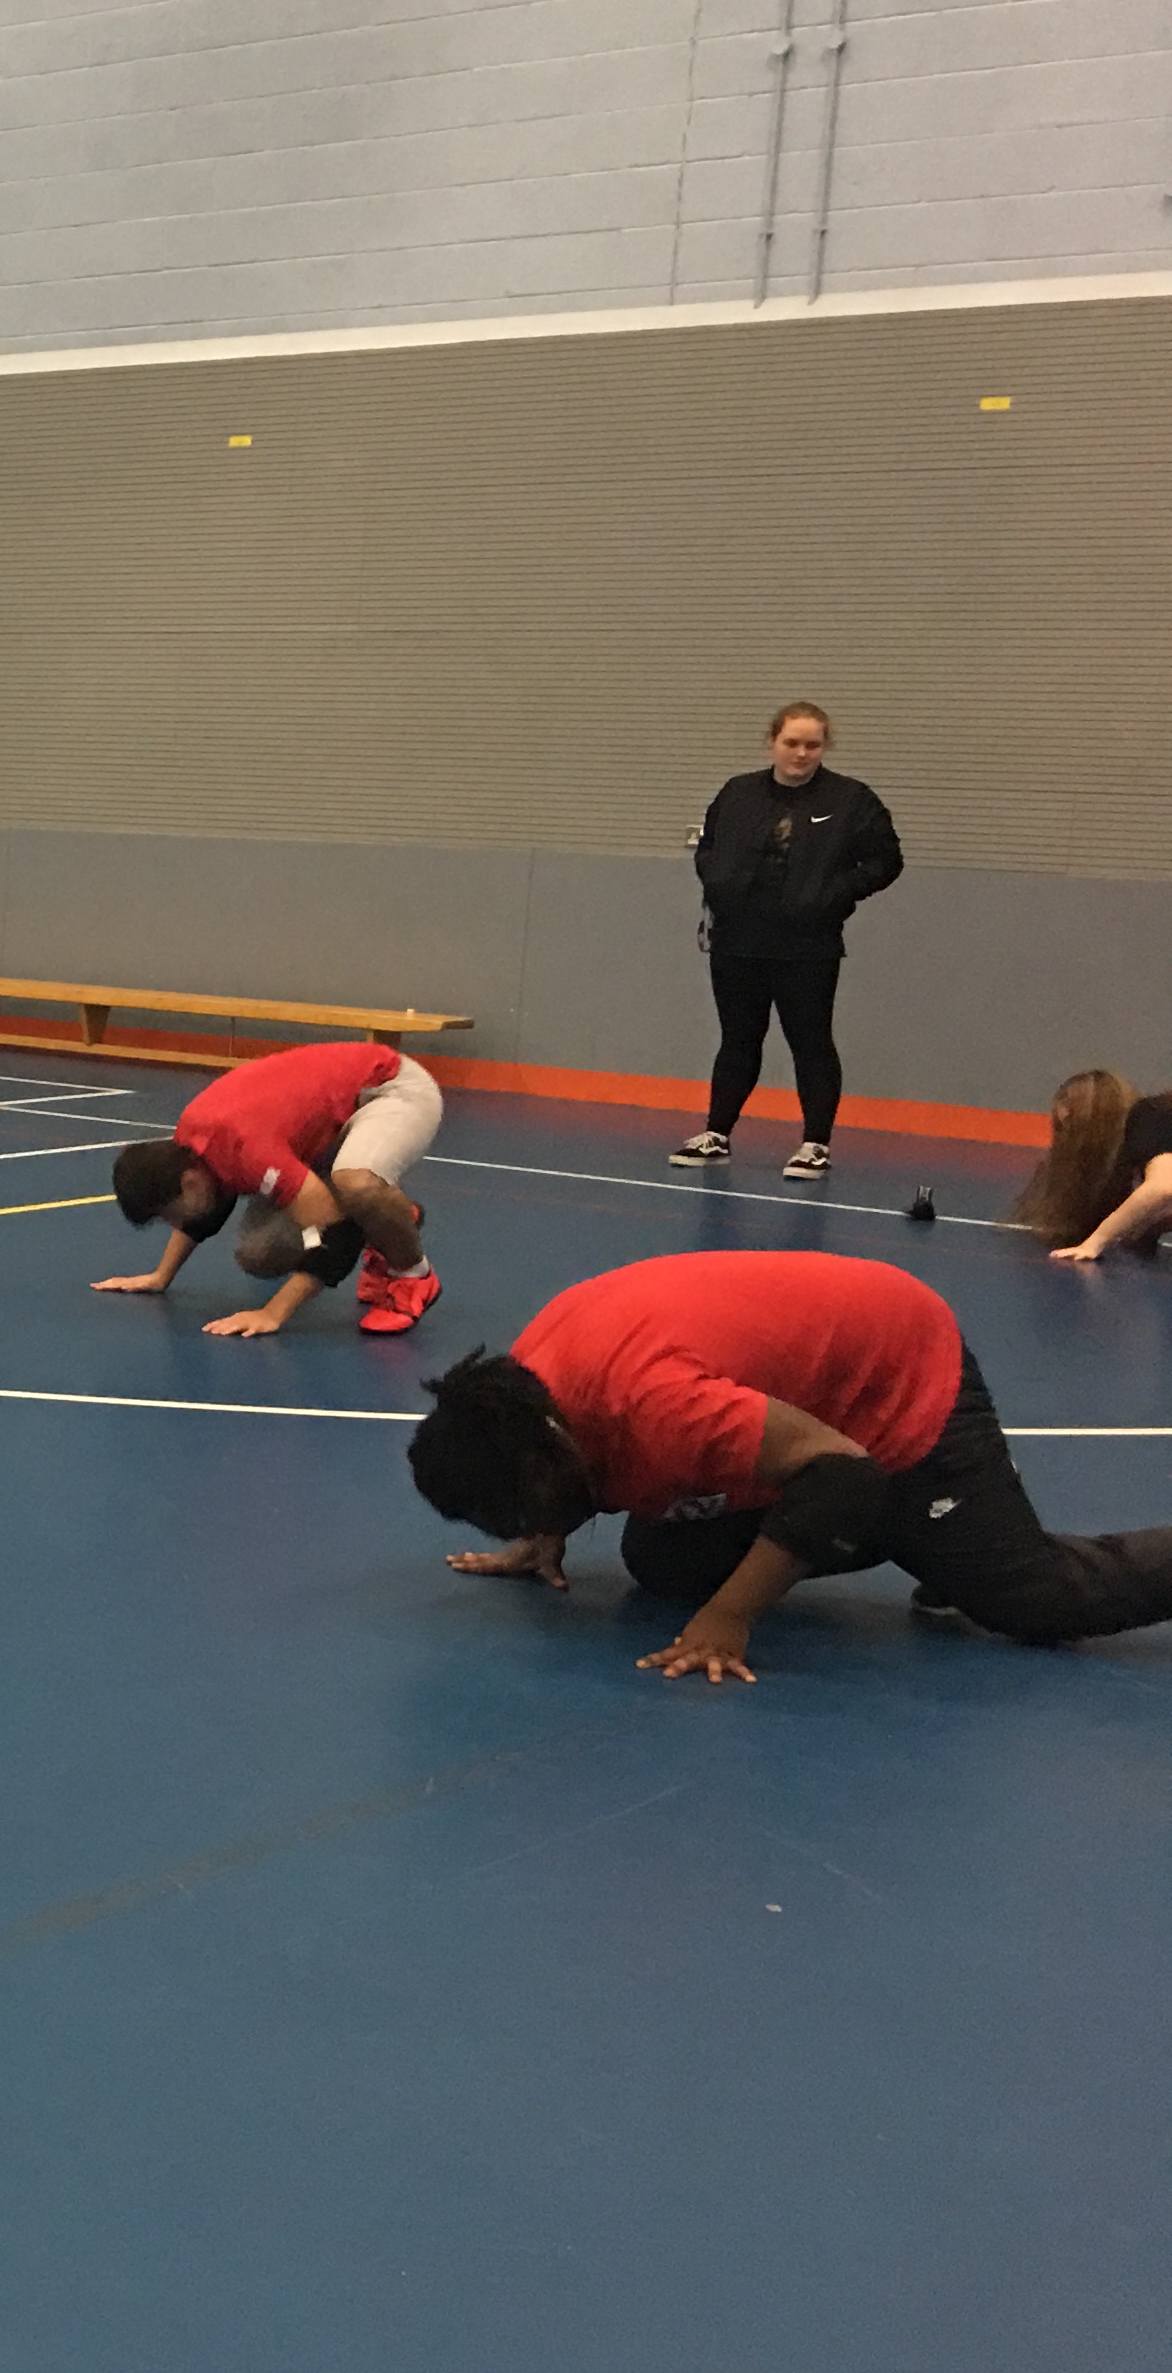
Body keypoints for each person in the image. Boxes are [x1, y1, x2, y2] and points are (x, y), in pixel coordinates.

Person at [408, 1249, 1172, 1677]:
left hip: (895, 1379)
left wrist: (729, 1618)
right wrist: (545, 1525)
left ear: (548, 1445)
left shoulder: (658, 1407)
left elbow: (844, 1472)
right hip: (809, 1388)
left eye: (535, 1506)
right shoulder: (519, 1399)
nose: (539, 1520)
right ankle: (921, 1536)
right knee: (663, 1557)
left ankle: (934, 1527)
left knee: (1035, 1603)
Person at [671, 702, 900, 1182]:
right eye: (791, 743)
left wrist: (835, 896)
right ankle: (716, 1132)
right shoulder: (737, 793)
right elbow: (709, 846)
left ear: (824, 747)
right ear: (772, 742)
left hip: (808, 947)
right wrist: (716, 882)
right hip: (737, 942)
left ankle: (815, 1143)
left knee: (810, 1042)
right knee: (737, 1040)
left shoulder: (852, 800)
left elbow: (885, 861)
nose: (801, 753)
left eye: (812, 744)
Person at [94, 1039, 445, 1337]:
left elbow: (332, 1239)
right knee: (261, 1253)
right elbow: (206, 1207)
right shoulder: (191, 1150)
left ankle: (413, 1274)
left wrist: (273, 1312)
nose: (173, 1224)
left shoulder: (246, 1149)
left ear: (188, 1182)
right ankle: (390, 1219)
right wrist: (160, 1276)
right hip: (324, 1125)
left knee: (355, 1185)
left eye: (168, 1214)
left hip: (386, 1088)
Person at [1009, 1070, 1172, 1264]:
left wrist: (1095, 1242)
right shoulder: (1155, 1124)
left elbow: (1162, 1187)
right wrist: (1146, 1229)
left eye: (1068, 1128)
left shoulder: (1148, 1118)